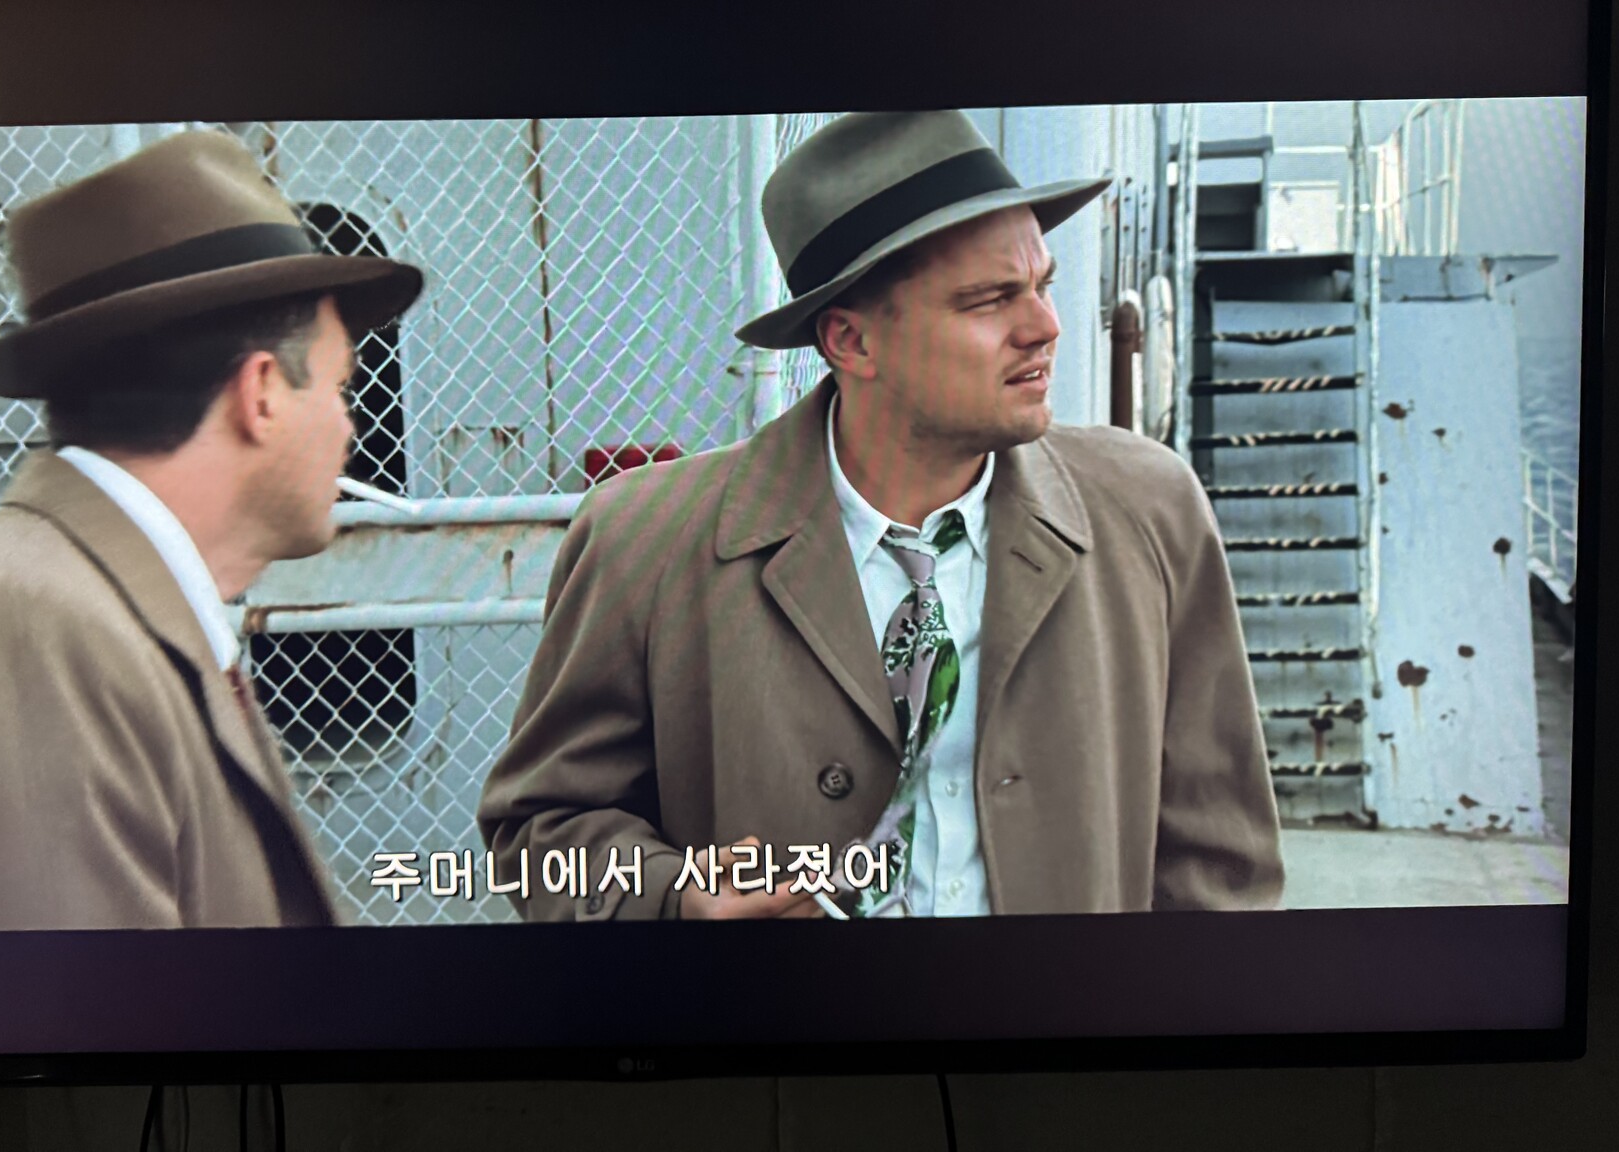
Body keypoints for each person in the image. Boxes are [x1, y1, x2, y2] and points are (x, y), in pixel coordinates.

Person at [478, 110, 1283, 920]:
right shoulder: (648, 542)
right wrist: (675, 899)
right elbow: (538, 832)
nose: (1045, 327)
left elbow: (1222, 860)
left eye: (1041, 285)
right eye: (988, 301)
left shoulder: (1148, 509)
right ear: (850, 343)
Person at [0, 130, 423, 932]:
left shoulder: (84, 614)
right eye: (339, 385)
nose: (350, 426)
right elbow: (58, 1013)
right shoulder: (25, 643)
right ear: (260, 394)